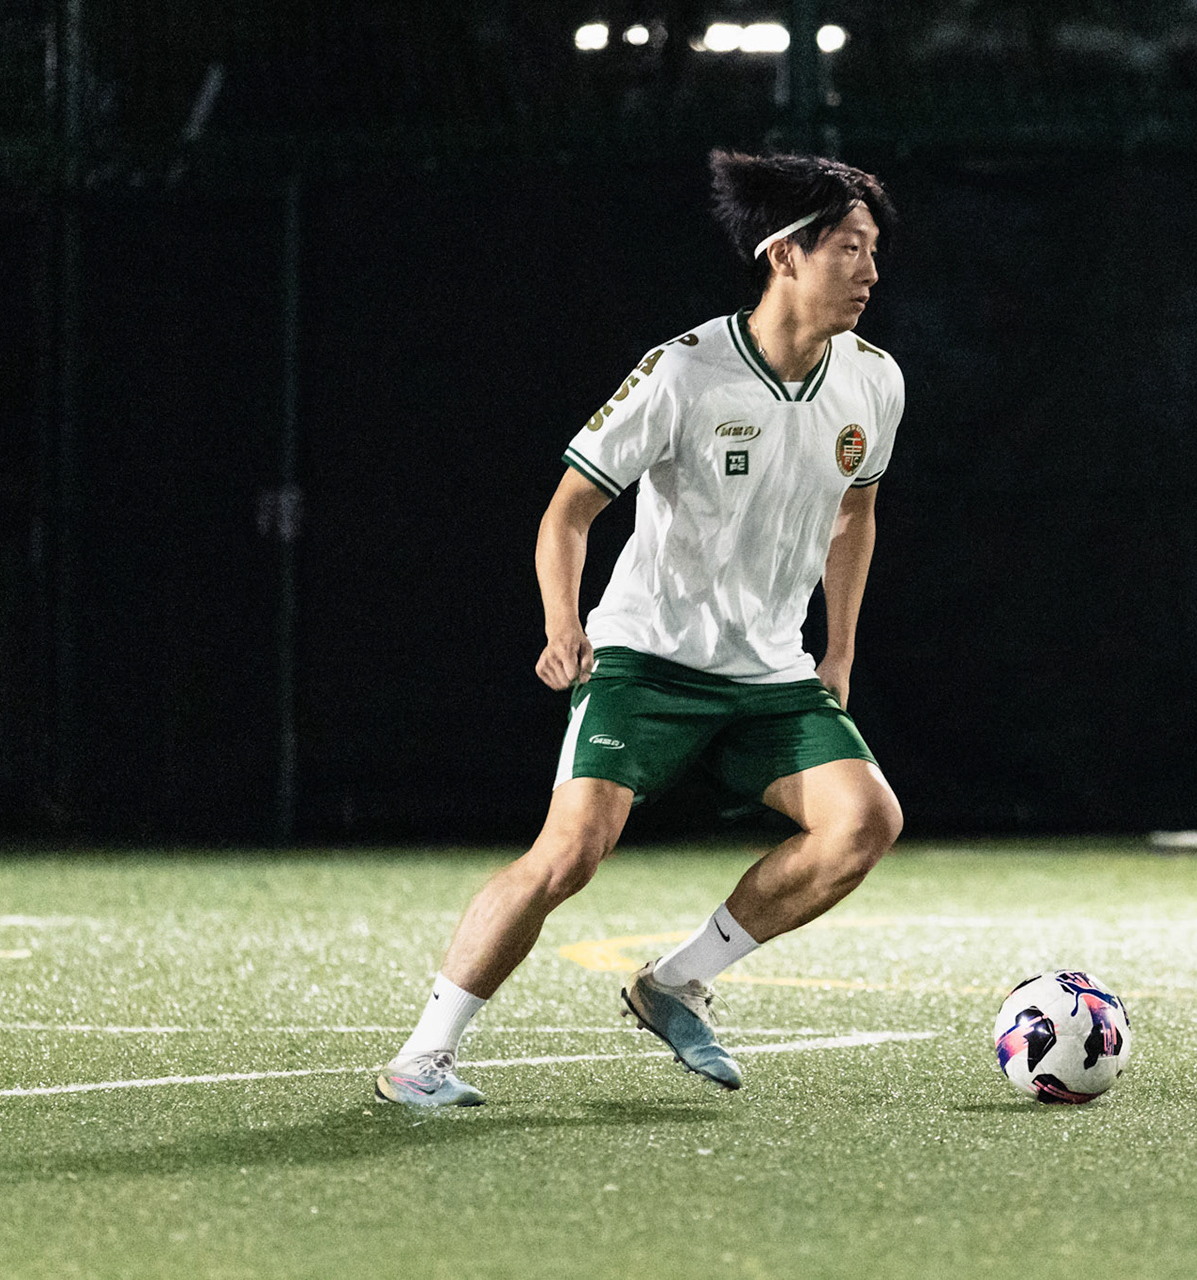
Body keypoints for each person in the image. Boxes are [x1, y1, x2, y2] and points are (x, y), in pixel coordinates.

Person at [374, 149, 905, 1108]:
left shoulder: (874, 380)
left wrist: (838, 650)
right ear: (784, 254)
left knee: (865, 823)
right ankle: (421, 1056)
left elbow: (855, 517)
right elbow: (567, 511)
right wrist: (563, 624)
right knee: (570, 853)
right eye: (849, 249)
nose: (871, 271)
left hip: (769, 675)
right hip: (646, 661)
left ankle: (673, 983)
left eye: (873, 250)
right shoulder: (684, 372)